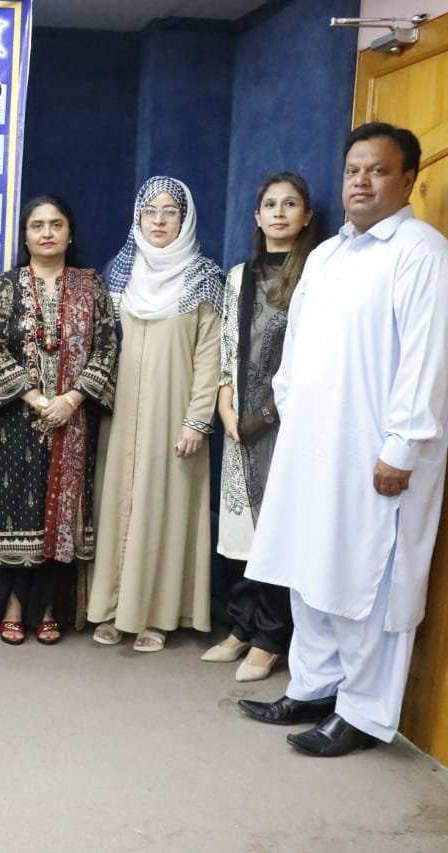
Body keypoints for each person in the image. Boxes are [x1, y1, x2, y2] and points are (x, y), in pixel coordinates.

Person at [237, 123, 448, 757]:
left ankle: (363, 713)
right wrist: (291, 410)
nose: (361, 182)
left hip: (376, 454)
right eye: (352, 171)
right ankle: (314, 687)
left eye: (377, 170)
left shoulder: (425, 256)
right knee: (311, 570)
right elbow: (296, 347)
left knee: (367, 580)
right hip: (313, 445)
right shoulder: (329, 256)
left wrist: (402, 448)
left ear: (408, 180)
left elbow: (429, 362)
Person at [87, 175, 223, 652]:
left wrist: (197, 419)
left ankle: (158, 616)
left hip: (174, 415)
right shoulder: (119, 274)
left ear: (185, 219)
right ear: (138, 218)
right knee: (116, 504)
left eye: (170, 212)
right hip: (120, 413)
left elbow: (211, 357)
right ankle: (110, 608)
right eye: (150, 211)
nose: (159, 221)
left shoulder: (203, 277)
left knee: (166, 508)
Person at [0, 195, 117, 644]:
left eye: (56, 224)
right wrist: (38, 400)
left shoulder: (90, 285)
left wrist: (72, 400)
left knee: (61, 516)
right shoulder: (5, 287)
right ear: (25, 236)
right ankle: (14, 606)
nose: (47, 233)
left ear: (69, 233)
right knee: (16, 514)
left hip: (73, 421)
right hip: (14, 422)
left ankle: (51, 607)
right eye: (37, 225)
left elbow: (107, 347)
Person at [203, 172, 316, 682]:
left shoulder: (314, 275)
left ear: (306, 216)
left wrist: (267, 415)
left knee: (276, 528)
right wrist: (225, 403)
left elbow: (310, 356)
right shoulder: (238, 276)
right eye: (270, 204)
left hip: (286, 420)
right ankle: (241, 625)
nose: (279, 213)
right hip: (238, 419)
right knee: (240, 529)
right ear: (257, 216)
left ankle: (271, 637)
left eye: (290, 204)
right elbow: (229, 344)